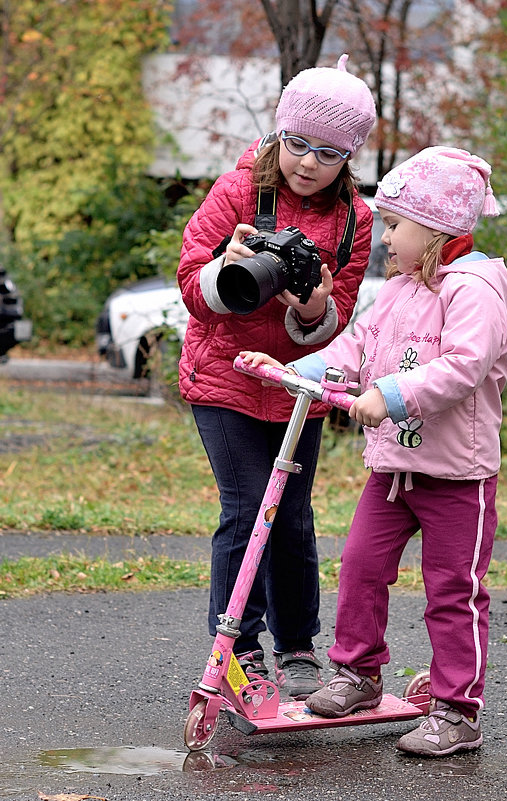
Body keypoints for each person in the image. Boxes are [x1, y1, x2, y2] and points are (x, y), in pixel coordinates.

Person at [240, 146, 507, 755]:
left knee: (453, 590)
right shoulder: (398, 291)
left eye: (395, 225)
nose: (385, 237)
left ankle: (456, 709)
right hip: (394, 470)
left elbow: (464, 367)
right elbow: (354, 350)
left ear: (437, 229)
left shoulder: (473, 291)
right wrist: (291, 368)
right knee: (362, 568)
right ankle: (359, 674)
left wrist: (389, 396)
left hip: (457, 476)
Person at [177, 54, 377, 700]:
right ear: (278, 134)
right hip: (226, 377)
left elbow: (339, 312)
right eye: (296, 143)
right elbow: (190, 283)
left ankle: (297, 645)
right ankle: (238, 648)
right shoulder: (235, 192)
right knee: (244, 512)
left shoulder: (355, 220)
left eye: (328, 151)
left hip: (296, 388)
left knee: (291, 517)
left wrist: (313, 309)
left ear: (348, 157)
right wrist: (227, 272)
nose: (308, 162)